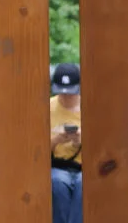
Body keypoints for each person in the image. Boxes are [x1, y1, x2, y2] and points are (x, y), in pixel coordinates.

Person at [50, 62, 83, 223]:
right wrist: (57, 140)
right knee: (57, 183)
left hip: (84, 167)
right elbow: (38, 150)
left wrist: (79, 141)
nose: (65, 97)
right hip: (57, 166)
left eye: (70, 93)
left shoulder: (90, 107)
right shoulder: (48, 107)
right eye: (61, 93)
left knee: (84, 184)